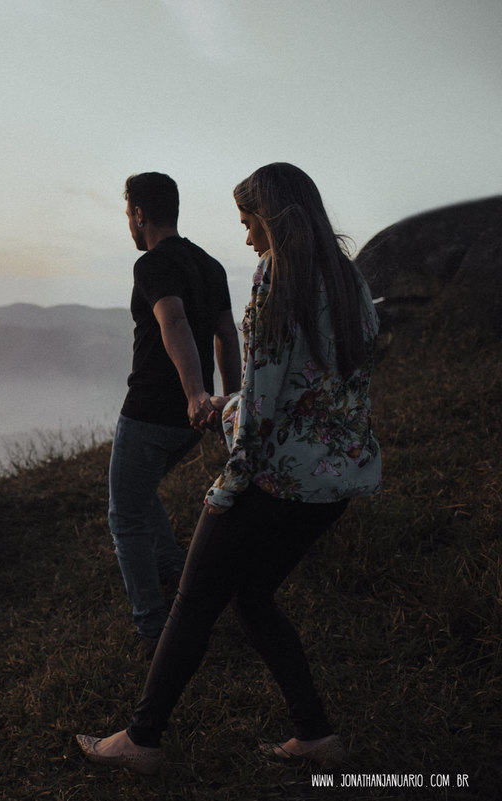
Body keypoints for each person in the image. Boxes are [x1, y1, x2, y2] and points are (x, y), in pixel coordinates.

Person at [76, 162, 383, 775]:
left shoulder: (280, 277)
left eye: (249, 222)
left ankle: (142, 739)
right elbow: (318, 389)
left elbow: (268, 399)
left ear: (272, 218)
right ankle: (316, 736)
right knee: (251, 595)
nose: (245, 238)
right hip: (338, 479)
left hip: (276, 478)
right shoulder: (348, 281)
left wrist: (231, 477)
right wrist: (231, 400)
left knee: (192, 599)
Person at [107, 172, 241, 656]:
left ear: (140, 214)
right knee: (140, 495)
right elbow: (226, 333)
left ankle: (153, 628)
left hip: (151, 411)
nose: (128, 222)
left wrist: (193, 393)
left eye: (128, 214)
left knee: (125, 517)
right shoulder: (209, 264)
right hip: (191, 422)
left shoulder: (153, 264)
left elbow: (174, 319)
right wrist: (231, 400)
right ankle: (170, 568)